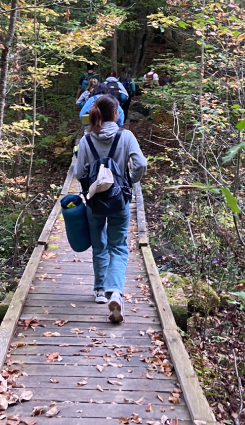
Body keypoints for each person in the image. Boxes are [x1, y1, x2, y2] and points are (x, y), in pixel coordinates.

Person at [75, 95, 147, 322]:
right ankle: (114, 291)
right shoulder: (126, 136)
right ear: (115, 114)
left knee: (99, 245)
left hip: (95, 201)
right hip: (119, 201)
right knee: (118, 247)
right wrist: (130, 180)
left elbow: (78, 173)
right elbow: (141, 164)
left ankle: (98, 291)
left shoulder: (86, 140)